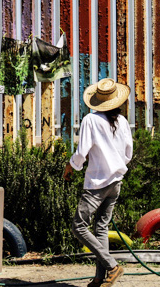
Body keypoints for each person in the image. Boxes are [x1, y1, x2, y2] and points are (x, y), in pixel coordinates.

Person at [64, 78, 133, 287]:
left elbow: (82, 152)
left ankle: (112, 266)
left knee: (79, 227)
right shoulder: (122, 122)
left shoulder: (91, 120)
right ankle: (99, 278)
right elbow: (128, 152)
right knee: (101, 228)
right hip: (116, 182)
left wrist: (70, 167)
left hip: (97, 183)